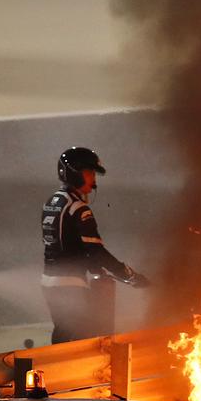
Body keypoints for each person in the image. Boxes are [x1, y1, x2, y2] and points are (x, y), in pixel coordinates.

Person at [41, 147, 149, 343]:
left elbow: (68, 245)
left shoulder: (53, 201)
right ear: (74, 172)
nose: (93, 179)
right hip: (71, 285)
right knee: (79, 344)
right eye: (89, 173)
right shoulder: (78, 208)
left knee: (63, 338)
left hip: (50, 282)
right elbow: (96, 251)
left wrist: (96, 269)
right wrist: (130, 276)